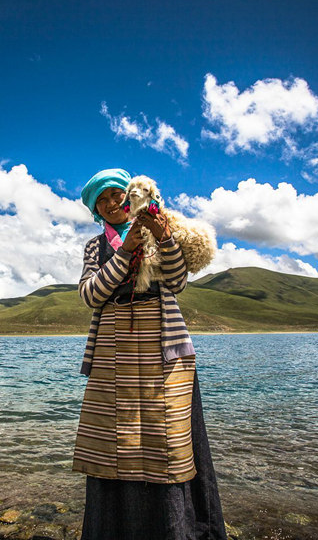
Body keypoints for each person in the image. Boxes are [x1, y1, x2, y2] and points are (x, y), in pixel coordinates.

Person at [73, 168, 228, 540]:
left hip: (163, 343)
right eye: (102, 200)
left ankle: (176, 527)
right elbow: (91, 295)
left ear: (129, 197)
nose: (111, 204)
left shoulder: (160, 231)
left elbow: (176, 282)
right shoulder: (96, 247)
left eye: (116, 195)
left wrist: (163, 237)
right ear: (96, 209)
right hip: (113, 344)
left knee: (167, 436)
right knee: (114, 439)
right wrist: (125, 252)